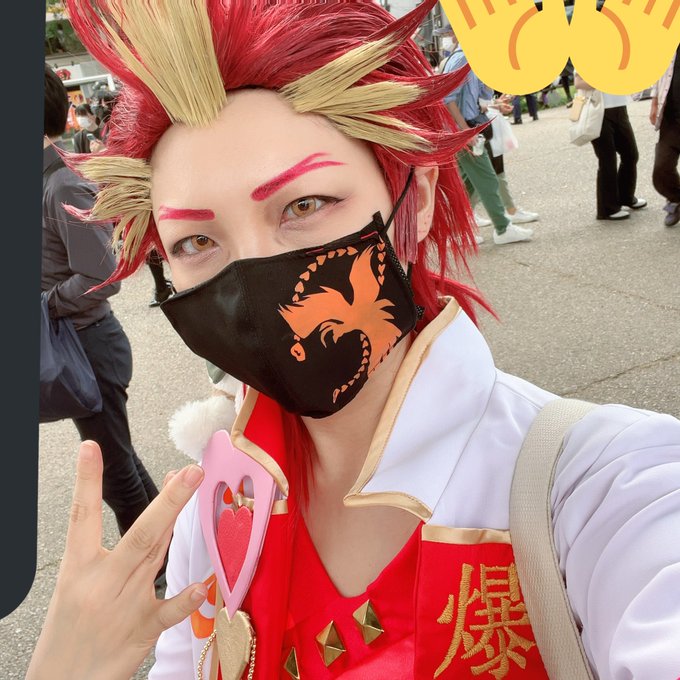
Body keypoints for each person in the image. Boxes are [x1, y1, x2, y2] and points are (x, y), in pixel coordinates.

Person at [28, 4, 680, 680]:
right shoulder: (216, 511)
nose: (255, 276)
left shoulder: (602, 488)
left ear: (415, 200)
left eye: (304, 205)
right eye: (196, 241)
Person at [41, 64, 160, 538]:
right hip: (76, 341)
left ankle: (154, 566)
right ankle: (171, 551)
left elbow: (102, 276)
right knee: (118, 460)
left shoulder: (62, 183)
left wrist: (43, 305)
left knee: (114, 473)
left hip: (89, 344)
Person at [440, 30, 536, 244]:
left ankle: (458, 231)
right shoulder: (462, 59)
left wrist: (492, 92)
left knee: (469, 184)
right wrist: (464, 131)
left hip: (468, 127)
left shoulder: (474, 59)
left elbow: (479, 97)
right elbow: (447, 98)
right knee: (487, 179)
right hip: (464, 130)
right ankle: (502, 228)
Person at [574, 72, 647, 220]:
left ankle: (625, 197)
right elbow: (578, 83)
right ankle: (607, 209)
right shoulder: (585, 58)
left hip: (619, 107)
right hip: (597, 110)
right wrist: (603, 79)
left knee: (631, 154)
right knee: (607, 159)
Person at [650, 44, 680, 227]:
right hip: (671, 120)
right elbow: (659, 73)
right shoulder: (667, 43)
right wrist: (654, 101)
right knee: (661, 170)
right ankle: (676, 198)